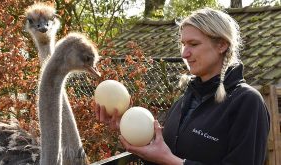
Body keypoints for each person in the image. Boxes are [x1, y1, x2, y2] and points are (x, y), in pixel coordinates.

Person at [94, 7, 270, 165]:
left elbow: (170, 159)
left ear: (222, 45)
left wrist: (172, 161)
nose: (185, 53)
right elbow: (164, 156)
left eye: (193, 44)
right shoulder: (183, 103)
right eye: (183, 44)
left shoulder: (247, 102)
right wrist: (128, 127)